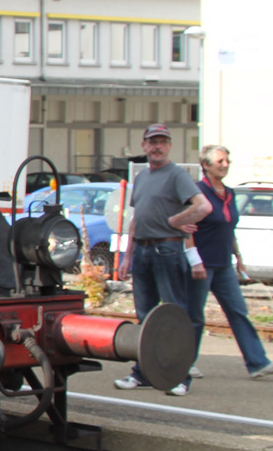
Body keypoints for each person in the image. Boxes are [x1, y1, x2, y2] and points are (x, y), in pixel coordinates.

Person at [114, 124, 211, 395]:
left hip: (167, 251)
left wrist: (177, 221)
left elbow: (203, 206)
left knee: (172, 316)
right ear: (144, 146)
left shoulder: (177, 175)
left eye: (162, 142)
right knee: (144, 316)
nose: (157, 146)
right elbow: (135, 220)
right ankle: (142, 373)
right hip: (143, 253)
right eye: (152, 141)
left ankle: (180, 377)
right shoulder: (143, 177)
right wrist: (126, 257)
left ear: (169, 146)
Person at [185, 144, 273, 379]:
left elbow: (228, 228)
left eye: (227, 161)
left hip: (223, 264)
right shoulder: (197, 192)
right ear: (205, 165)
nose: (225, 165)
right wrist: (195, 260)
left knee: (238, 311)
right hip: (201, 264)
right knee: (194, 315)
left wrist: (239, 258)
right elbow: (187, 230)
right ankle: (185, 362)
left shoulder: (230, 193)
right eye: (220, 161)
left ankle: (257, 362)